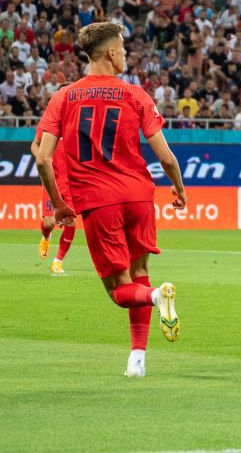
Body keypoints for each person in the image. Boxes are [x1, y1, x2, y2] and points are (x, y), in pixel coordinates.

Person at [33, 21, 186, 378]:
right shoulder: (136, 95)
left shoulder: (63, 97)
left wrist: (57, 203)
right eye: (123, 48)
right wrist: (179, 187)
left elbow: (42, 158)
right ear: (111, 52)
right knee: (141, 272)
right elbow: (165, 157)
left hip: (98, 202)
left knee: (120, 290)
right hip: (138, 197)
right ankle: (137, 360)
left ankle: (153, 300)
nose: (126, 54)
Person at [33, 130, 77, 275]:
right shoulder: (49, 123)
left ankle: (57, 262)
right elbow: (34, 145)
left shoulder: (76, 121)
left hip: (71, 184)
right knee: (49, 223)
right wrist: (42, 158)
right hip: (52, 182)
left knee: (70, 222)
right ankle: (46, 236)